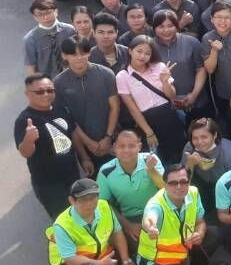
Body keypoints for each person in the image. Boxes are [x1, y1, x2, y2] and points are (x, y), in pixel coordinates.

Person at [137, 163, 216, 265]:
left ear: (189, 182)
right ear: (165, 184)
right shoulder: (156, 204)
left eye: (183, 182)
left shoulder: (193, 192)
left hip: (183, 247)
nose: (179, 187)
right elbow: (150, 218)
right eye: (173, 183)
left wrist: (200, 233)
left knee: (214, 233)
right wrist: (150, 226)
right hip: (157, 258)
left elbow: (200, 222)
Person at [17, 73, 83, 217]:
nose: (46, 94)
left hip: (72, 176)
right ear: (27, 94)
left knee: (82, 216)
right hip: (49, 184)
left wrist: (85, 158)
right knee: (64, 221)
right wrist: (29, 138)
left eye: (50, 90)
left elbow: (73, 134)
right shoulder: (24, 120)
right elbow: (25, 152)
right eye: (40, 91)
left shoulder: (60, 109)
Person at [115, 34, 186, 164]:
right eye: (139, 51)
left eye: (147, 53)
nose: (142, 56)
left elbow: (171, 96)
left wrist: (165, 82)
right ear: (130, 51)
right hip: (147, 120)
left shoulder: (159, 66)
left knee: (178, 153)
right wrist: (148, 132)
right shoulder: (122, 76)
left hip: (169, 115)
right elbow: (132, 108)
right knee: (158, 159)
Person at [55, 37, 119, 178]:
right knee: (96, 186)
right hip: (85, 146)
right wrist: (85, 153)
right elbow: (68, 121)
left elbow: (115, 107)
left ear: (89, 53)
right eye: (73, 54)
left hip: (112, 141)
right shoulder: (59, 83)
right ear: (64, 56)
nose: (79, 58)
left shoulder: (106, 74)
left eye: (83, 53)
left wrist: (108, 137)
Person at [47, 177, 130, 265]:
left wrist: (126, 261)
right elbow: (70, 259)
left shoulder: (104, 206)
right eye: (83, 199)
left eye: (93, 197)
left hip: (97, 252)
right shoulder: (62, 225)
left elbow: (117, 232)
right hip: (67, 262)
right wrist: (99, 264)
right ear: (72, 200)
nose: (90, 203)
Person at [95, 127, 164, 244]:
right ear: (114, 148)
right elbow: (103, 204)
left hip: (158, 211)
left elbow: (166, 188)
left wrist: (151, 170)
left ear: (140, 147)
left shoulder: (150, 159)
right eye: (121, 146)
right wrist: (128, 226)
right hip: (129, 218)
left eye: (131, 146)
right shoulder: (105, 171)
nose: (126, 150)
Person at [24, 0, 75, 78]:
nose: (45, 17)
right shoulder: (30, 38)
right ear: (35, 17)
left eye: (48, 12)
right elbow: (30, 65)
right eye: (40, 14)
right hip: (46, 81)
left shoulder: (69, 30)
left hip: (70, 76)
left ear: (56, 11)